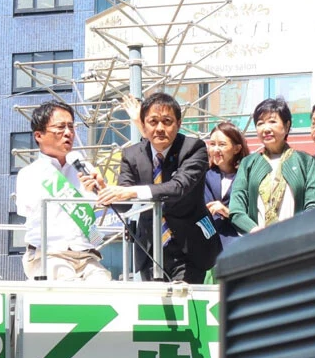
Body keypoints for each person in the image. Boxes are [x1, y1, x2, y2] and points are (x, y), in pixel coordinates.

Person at [92, 93, 220, 283]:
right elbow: (124, 205)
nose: (160, 128)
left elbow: (178, 188)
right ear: (143, 126)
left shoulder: (194, 148)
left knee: (184, 300)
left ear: (178, 123)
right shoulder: (132, 155)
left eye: (167, 121)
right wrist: (104, 190)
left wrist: (133, 191)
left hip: (190, 248)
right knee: (154, 303)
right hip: (149, 249)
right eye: (153, 122)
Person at [14, 100, 111, 282]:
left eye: (71, 127)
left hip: (85, 254)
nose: (68, 133)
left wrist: (101, 191)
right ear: (39, 135)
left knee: (103, 283)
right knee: (64, 280)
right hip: (48, 253)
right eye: (60, 127)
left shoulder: (85, 169)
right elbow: (28, 212)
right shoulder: (29, 173)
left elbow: (102, 210)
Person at [230, 97, 315, 233]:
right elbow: (236, 210)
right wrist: (254, 230)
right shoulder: (248, 164)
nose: (266, 129)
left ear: (286, 126)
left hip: (295, 239)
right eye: (260, 123)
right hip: (258, 240)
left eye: (272, 122)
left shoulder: (305, 161)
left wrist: (295, 230)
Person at [203, 121, 247, 250]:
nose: (216, 150)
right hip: (209, 245)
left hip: (240, 244)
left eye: (222, 144)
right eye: (212, 144)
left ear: (237, 148)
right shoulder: (204, 176)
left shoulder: (247, 176)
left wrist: (227, 212)